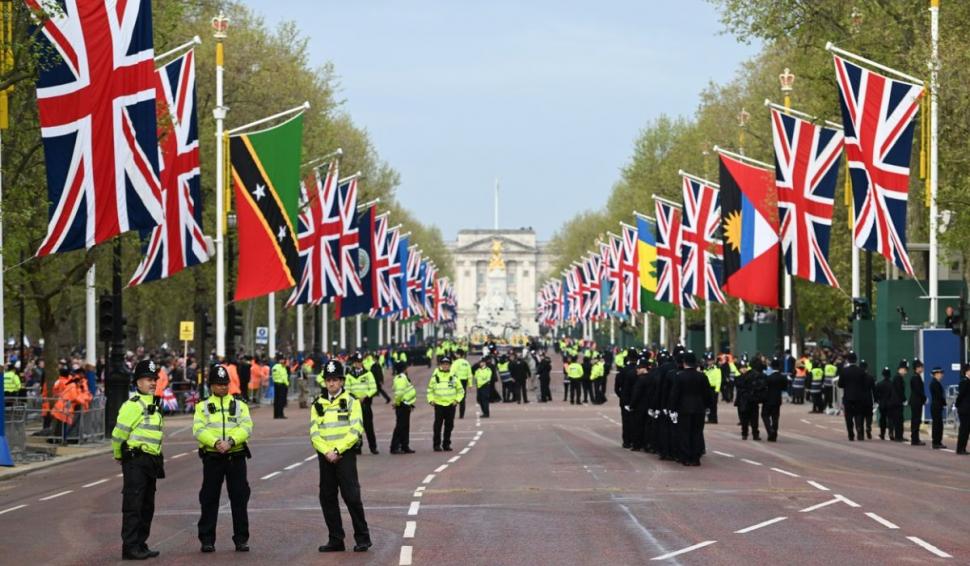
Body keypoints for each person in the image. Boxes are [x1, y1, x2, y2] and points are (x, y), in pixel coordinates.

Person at [312, 360, 372, 553]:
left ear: (342, 381)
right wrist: (326, 451)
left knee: (352, 496)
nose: (331, 384)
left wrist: (337, 450)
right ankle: (336, 539)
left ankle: (363, 538)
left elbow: (356, 429)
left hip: (344, 455)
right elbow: (314, 433)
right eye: (328, 380)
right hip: (325, 457)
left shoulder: (351, 401)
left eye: (335, 380)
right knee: (327, 497)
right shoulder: (317, 404)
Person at [193, 365, 252, 553]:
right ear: (211, 386)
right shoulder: (202, 406)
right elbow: (198, 429)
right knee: (209, 498)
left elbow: (246, 427)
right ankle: (207, 539)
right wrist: (216, 442)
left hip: (236, 456)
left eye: (225, 384)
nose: (222, 388)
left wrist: (232, 442)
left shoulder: (240, 405)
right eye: (218, 384)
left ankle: (241, 539)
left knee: (239, 498)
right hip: (213, 457)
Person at [111, 360, 165, 561]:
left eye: (154, 380)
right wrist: (118, 454)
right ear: (138, 382)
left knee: (147, 506)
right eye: (148, 379)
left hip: (151, 461)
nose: (152, 383)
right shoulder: (132, 406)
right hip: (136, 460)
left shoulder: (154, 404)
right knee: (133, 505)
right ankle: (130, 547)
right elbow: (119, 434)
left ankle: (141, 544)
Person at [668, 352, 712, 466]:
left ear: (684, 363)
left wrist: (672, 409)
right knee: (697, 433)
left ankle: (686, 457)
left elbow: (675, 394)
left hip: (684, 408)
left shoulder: (679, 376)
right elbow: (707, 393)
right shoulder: (702, 376)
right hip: (699, 408)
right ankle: (696, 458)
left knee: (684, 433)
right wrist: (708, 406)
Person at [428, 356, 463, 451]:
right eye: (443, 364)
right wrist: (431, 400)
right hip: (439, 404)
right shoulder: (435, 376)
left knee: (449, 425)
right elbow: (430, 390)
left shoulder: (454, 377)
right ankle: (436, 445)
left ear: (450, 365)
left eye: (447, 364)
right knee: (437, 426)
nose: (445, 366)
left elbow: (460, 390)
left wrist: (457, 400)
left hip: (451, 405)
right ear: (440, 365)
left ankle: (446, 444)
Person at [346, 354, 379, 455]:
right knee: (356, 427)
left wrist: (365, 396)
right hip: (355, 405)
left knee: (369, 427)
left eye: (360, 362)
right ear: (354, 363)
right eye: (357, 362)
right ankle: (358, 447)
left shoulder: (368, 374)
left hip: (365, 403)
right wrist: (354, 398)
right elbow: (347, 390)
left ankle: (373, 447)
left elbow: (373, 388)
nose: (359, 364)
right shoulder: (349, 375)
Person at [837, 353, 867, 441]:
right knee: (859, 415)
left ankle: (851, 433)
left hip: (848, 397)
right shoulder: (861, 371)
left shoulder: (844, 371)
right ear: (856, 360)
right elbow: (865, 384)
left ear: (848, 360)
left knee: (848, 416)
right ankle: (859, 430)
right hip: (859, 397)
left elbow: (840, 384)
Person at [390, 361, 416, 454]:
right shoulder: (401, 378)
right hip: (402, 405)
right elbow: (400, 393)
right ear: (404, 369)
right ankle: (395, 447)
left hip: (405, 404)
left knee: (405, 426)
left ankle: (405, 446)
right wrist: (397, 403)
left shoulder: (402, 377)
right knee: (400, 427)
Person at [735, 359, 765, 441]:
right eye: (741, 368)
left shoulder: (752, 375)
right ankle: (744, 433)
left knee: (754, 419)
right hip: (743, 401)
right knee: (744, 420)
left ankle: (755, 434)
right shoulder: (738, 378)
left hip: (752, 400)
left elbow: (757, 385)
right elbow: (740, 387)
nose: (743, 369)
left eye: (745, 368)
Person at [762, 358, 787, 441]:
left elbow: (764, 387)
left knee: (765, 415)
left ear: (771, 367)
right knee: (775, 417)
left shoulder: (768, 378)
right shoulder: (783, 377)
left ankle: (770, 430)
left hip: (768, 399)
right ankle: (774, 435)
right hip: (777, 399)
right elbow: (784, 388)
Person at [909, 359, 927, 446]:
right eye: (921, 367)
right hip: (916, 401)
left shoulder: (916, 377)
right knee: (916, 420)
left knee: (915, 420)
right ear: (917, 368)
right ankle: (915, 439)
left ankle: (915, 438)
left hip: (916, 401)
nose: (922, 369)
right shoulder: (916, 378)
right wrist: (924, 398)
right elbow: (918, 391)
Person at [928, 367, 947, 449]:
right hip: (936, 405)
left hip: (937, 405)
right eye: (940, 373)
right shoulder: (934, 383)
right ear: (936, 374)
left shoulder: (935, 383)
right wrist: (944, 403)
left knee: (939, 424)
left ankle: (938, 441)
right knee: (937, 424)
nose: (941, 375)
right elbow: (939, 395)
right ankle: (936, 442)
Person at [451, 349, 473, 418]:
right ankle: (461, 415)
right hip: (464, 382)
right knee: (462, 399)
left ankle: (452, 414)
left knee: (454, 398)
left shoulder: (455, 363)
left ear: (458, 355)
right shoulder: (466, 363)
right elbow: (469, 374)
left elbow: (451, 373)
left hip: (456, 381)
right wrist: (470, 384)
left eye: (456, 354)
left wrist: (450, 384)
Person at [874, 367, 894, 440]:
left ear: (883, 374)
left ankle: (882, 433)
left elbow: (876, 394)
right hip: (890, 404)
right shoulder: (892, 384)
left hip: (882, 404)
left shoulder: (879, 384)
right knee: (890, 419)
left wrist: (877, 401)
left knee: (882, 419)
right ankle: (891, 432)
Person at [890, 362, 908, 442]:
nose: (906, 372)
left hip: (896, 402)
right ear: (900, 369)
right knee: (898, 420)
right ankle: (898, 436)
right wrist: (904, 400)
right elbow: (899, 390)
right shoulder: (898, 378)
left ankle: (899, 435)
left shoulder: (898, 377)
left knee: (899, 419)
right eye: (905, 370)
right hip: (897, 402)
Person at [955, 364, 970, 454]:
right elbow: (961, 395)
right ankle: (960, 449)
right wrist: (957, 404)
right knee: (964, 430)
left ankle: (963, 448)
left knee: (966, 430)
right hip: (965, 409)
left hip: (967, 409)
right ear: (967, 371)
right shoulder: (964, 381)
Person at [704, 357, 721, 424]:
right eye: (708, 361)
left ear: (713, 361)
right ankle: (709, 418)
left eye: (711, 361)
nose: (709, 362)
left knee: (713, 405)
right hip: (707, 389)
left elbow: (718, 380)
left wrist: (717, 390)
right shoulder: (706, 370)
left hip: (713, 389)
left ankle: (714, 419)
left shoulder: (717, 369)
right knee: (708, 405)